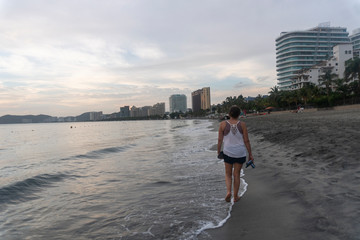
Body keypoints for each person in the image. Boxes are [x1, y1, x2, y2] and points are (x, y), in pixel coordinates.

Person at [217, 105, 254, 202]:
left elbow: (220, 139)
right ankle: (236, 196)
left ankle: (229, 191)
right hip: (240, 152)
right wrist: (250, 154)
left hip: (228, 152)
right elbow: (246, 140)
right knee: (236, 174)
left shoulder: (222, 124)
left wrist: (218, 151)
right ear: (239, 114)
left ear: (229, 114)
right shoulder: (242, 124)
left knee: (228, 174)